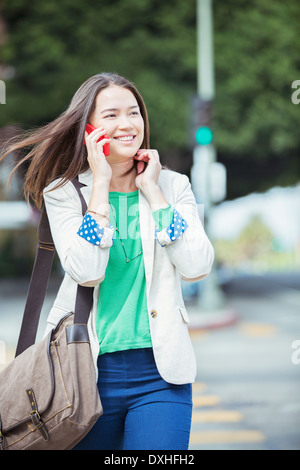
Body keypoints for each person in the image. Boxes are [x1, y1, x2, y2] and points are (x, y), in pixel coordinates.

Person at [1, 72, 214, 450]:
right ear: (89, 129)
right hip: (83, 375)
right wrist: (99, 186)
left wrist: (154, 194)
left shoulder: (173, 185)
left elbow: (197, 265)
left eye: (133, 113)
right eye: (112, 115)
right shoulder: (65, 193)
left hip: (161, 375)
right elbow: (86, 270)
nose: (127, 124)